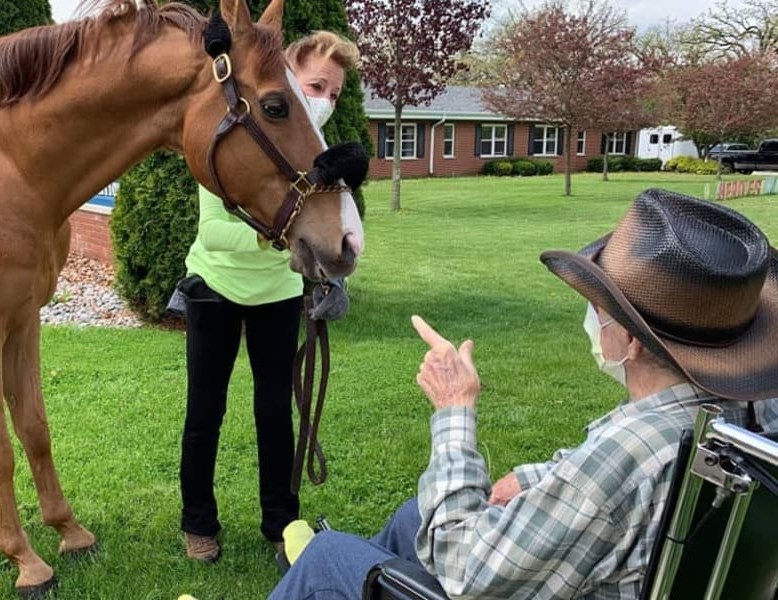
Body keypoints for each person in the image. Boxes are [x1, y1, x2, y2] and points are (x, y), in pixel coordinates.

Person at [269, 188, 778, 598]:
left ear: (629, 341)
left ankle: (316, 582)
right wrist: (539, 478)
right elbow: (608, 499)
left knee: (328, 557)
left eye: (599, 307)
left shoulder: (628, 453)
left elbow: (465, 569)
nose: (591, 317)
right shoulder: (748, 413)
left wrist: (454, 411)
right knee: (413, 516)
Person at [178, 31, 361, 563]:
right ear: (286, 78)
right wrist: (274, 234)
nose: (326, 101)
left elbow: (332, 235)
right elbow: (212, 233)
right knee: (204, 411)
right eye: (316, 86)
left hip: (278, 294)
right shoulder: (237, 138)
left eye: (335, 93)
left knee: (275, 412)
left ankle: (282, 523)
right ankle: (198, 523)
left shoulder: (315, 155)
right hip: (214, 286)